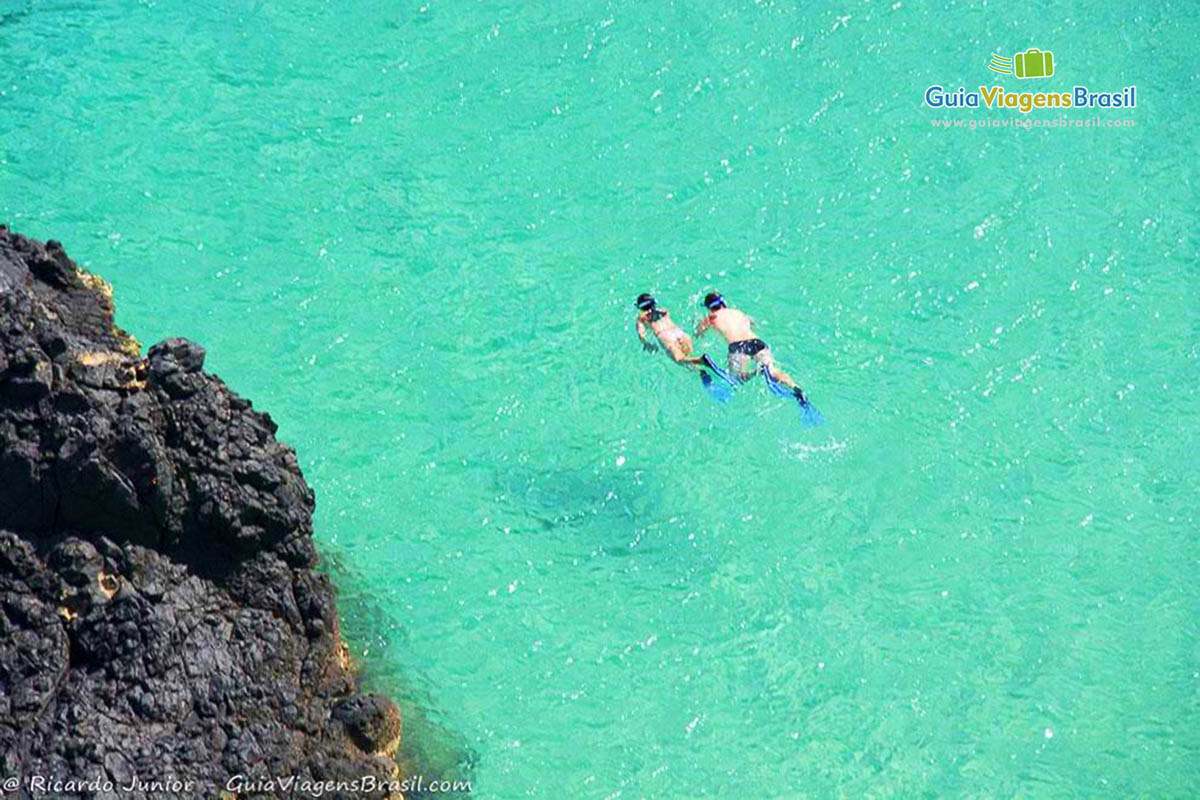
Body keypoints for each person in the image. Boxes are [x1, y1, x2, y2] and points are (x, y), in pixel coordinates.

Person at [694, 291, 804, 394]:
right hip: (757, 343)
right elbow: (753, 324)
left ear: (709, 308)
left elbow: (698, 332)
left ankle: (755, 372)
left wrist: (699, 333)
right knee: (773, 371)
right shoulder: (739, 313)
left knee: (737, 380)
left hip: (738, 347)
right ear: (724, 303)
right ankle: (795, 387)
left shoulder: (712, 317)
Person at [635, 294, 703, 366]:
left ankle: (702, 360)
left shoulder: (642, 317)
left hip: (665, 336)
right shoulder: (663, 311)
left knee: (679, 359)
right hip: (680, 333)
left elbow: (641, 334)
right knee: (689, 358)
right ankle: (701, 371)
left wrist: (646, 343)